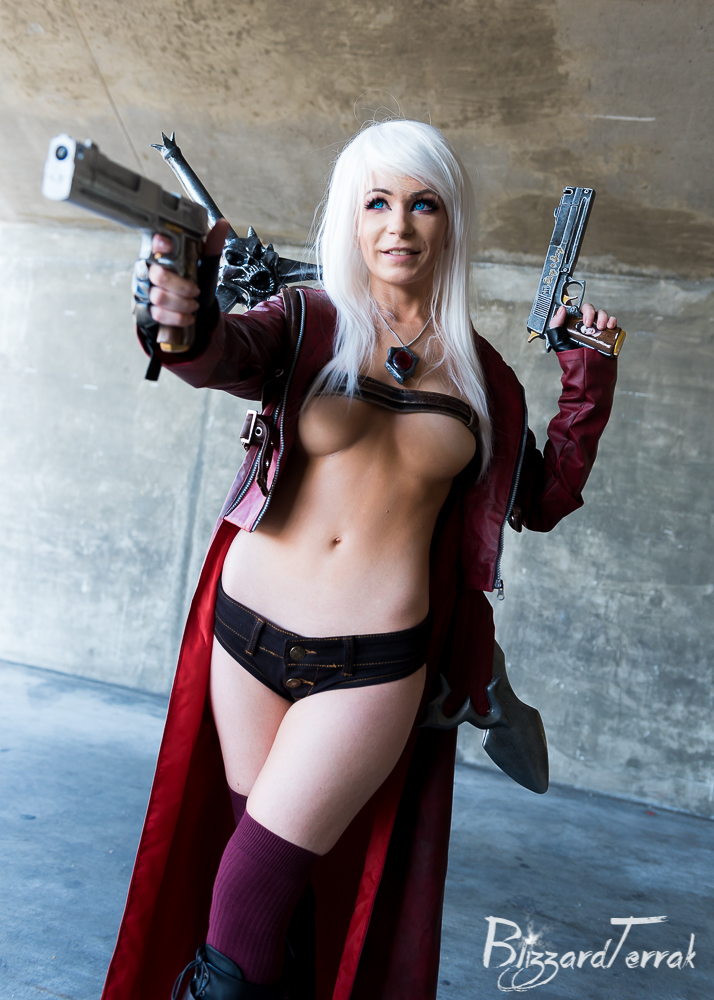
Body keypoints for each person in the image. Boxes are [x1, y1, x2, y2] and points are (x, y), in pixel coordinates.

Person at [101, 120, 618, 1000]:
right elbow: (219, 353)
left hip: (371, 668)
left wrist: (588, 374)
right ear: (351, 215)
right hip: (245, 641)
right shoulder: (307, 320)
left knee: (251, 890)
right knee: (278, 903)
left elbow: (542, 499)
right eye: (377, 202)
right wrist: (179, 321)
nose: (399, 225)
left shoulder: (485, 380)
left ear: (450, 222)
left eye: (423, 204)